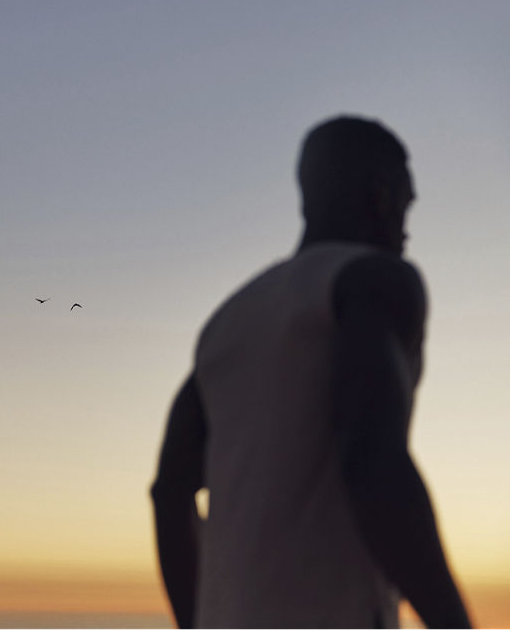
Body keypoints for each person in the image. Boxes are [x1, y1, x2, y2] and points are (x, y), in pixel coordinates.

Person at [150, 116, 472, 629]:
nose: (407, 228)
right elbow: (372, 460)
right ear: (382, 196)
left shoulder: (228, 319)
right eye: (406, 204)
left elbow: (170, 491)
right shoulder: (375, 281)